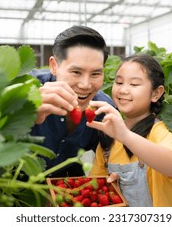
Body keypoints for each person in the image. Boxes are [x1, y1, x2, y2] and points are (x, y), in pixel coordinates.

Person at [87, 53, 172, 207]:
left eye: (134, 84)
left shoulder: (161, 131)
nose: (123, 90)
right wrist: (109, 187)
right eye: (119, 82)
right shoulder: (109, 138)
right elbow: (95, 186)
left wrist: (125, 136)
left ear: (156, 93)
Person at [29, 25, 115, 177]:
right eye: (76, 72)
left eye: (95, 73)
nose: (85, 85)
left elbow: (108, 158)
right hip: (16, 180)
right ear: (54, 66)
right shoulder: (27, 89)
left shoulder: (103, 110)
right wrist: (25, 114)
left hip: (66, 181)